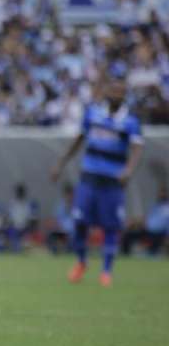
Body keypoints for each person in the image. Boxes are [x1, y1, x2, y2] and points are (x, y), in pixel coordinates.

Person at [51, 76, 144, 286]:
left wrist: (128, 170)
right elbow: (79, 139)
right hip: (89, 177)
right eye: (113, 90)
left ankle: (106, 271)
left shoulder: (130, 121)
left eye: (121, 92)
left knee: (111, 226)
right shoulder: (93, 113)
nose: (116, 95)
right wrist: (61, 163)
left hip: (112, 181)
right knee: (79, 223)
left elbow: (138, 148)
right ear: (106, 92)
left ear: (125, 96)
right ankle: (81, 262)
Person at [122, 183, 168, 256]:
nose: (160, 195)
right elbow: (147, 219)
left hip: (159, 234)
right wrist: (133, 222)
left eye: (163, 193)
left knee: (152, 252)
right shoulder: (156, 206)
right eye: (160, 193)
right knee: (127, 236)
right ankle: (125, 256)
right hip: (147, 231)